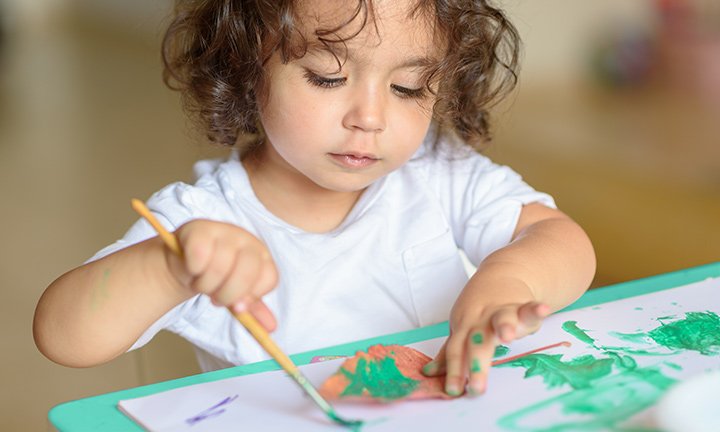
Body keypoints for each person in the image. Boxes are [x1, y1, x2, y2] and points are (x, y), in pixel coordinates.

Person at [33, 0, 596, 397]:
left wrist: (512, 281)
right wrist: (170, 266)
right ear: (248, 65)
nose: (370, 118)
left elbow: (563, 241)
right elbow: (63, 336)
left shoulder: (439, 173)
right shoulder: (203, 220)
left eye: (406, 88)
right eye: (328, 77)